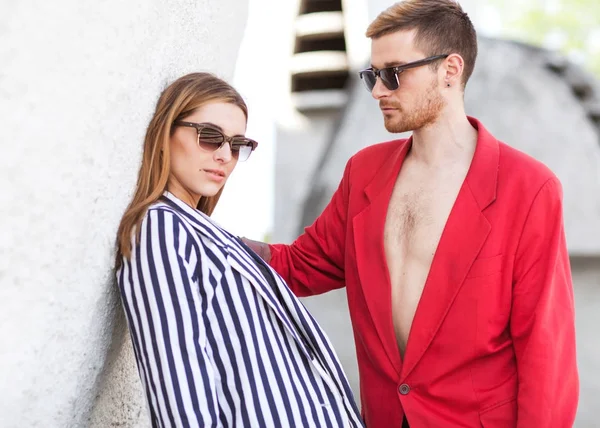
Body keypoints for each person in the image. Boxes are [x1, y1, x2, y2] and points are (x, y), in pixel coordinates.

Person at [242, 1, 579, 426]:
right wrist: (196, 233)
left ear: (449, 70)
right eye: (373, 76)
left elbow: (545, 349)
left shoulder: (528, 188)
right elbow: (300, 265)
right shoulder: (363, 173)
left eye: (393, 74)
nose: (379, 91)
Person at [114, 72, 363, 427]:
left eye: (236, 145)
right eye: (209, 137)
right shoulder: (160, 229)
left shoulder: (206, 234)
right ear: (166, 132)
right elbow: (179, 392)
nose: (224, 156)